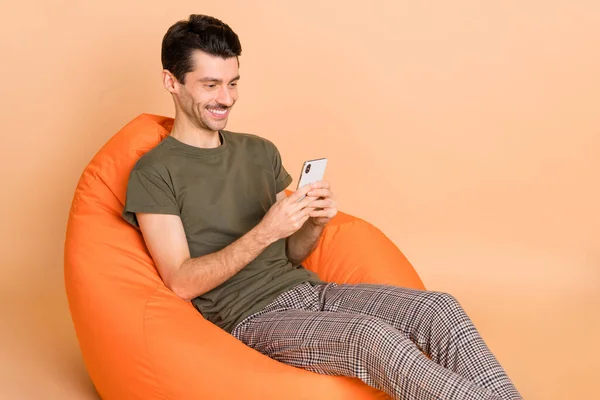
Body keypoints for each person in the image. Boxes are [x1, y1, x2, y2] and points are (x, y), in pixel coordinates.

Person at [122, 14, 522, 400]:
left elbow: (291, 254)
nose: (225, 99)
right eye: (210, 85)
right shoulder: (155, 171)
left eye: (233, 83)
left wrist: (312, 223)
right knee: (373, 339)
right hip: (252, 319)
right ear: (171, 82)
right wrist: (266, 229)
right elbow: (180, 281)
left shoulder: (259, 151)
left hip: (311, 291)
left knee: (439, 308)